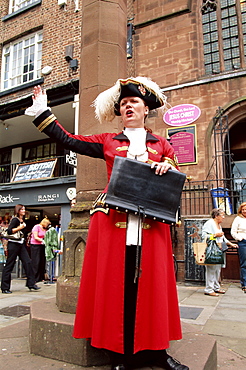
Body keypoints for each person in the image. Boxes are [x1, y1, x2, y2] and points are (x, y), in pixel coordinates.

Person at [25, 77, 188, 370]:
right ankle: (119, 355)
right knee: (118, 288)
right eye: (123, 103)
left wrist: (168, 164)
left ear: (145, 109)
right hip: (114, 224)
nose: (128, 106)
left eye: (134, 102)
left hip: (152, 225)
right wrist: (41, 111)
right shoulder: (107, 141)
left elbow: (177, 171)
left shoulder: (162, 143)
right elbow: (69, 140)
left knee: (151, 289)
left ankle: (156, 352)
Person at [1, 204, 40, 293]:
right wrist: (20, 227)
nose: (24, 211)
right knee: (9, 265)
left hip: (21, 244)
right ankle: (5, 288)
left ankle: (31, 284)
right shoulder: (15, 219)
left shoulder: (23, 219)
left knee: (28, 262)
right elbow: (10, 231)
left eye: (24, 209)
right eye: (22, 209)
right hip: (13, 244)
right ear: (18, 210)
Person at [202, 208, 237, 297]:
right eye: (222, 215)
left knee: (218, 269)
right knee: (211, 269)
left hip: (219, 249)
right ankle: (209, 289)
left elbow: (222, 237)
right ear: (216, 216)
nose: (224, 217)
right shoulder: (209, 223)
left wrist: (230, 243)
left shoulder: (219, 225)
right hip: (212, 250)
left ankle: (216, 287)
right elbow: (204, 235)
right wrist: (214, 235)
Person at [231, 202, 246, 293]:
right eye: (243, 209)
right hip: (243, 243)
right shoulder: (238, 219)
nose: (244, 211)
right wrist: (240, 238)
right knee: (244, 264)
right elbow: (233, 232)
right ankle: (244, 284)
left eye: (245, 209)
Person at [30, 218, 50, 282]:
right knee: (36, 261)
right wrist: (42, 240)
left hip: (42, 246)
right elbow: (35, 237)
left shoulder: (45, 229)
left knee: (42, 261)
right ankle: (34, 277)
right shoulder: (36, 227)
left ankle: (41, 277)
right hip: (35, 245)